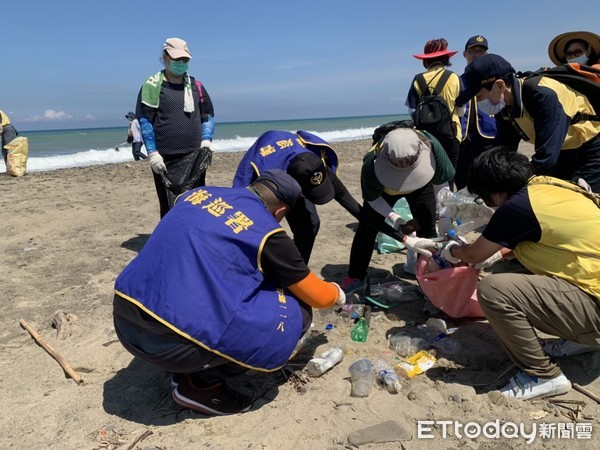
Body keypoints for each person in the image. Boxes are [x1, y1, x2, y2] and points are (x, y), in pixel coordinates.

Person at [113, 169, 346, 415]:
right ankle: (201, 385)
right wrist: (337, 293)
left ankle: (190, 366)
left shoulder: (197, 195)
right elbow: (319, 297)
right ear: (280, 212)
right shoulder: (268, 232)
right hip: (169, 345)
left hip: (125, 315)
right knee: (298, 311)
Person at [440, 147, 600, 400]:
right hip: (592, 277)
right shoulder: (552, 186)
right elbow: (550, 241)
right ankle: (581, 340)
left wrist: (451, 251)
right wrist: (499, 253)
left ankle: (544, 375)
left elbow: (473, 255)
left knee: (494, 290)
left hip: (596, 305)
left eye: (485, 198)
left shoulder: (517, 207)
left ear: (493, 191)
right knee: (508, 267)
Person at [233, 130, 415, 264]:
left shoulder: (317, 162)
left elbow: (358, 211)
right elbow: (240, 212)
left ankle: (296, 270)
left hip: (297, 170)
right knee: (261, 231)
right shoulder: (259, 173)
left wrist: (404, 238)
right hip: (268, 179)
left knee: (311, 224)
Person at [456, 53, 600, 193]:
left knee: (577, 200)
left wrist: (509, 187)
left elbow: (545, 159)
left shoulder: (541, 94)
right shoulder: (505, 107)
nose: (478, 101)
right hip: (564, 150)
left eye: (479, 96)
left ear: (499, 86)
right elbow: (505, 150)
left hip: (591, 149)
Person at [341, 127, 455, 293]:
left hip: (422, 186)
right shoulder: (371, 163)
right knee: (367, 228)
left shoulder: (432, 146)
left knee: (427, 229)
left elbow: (442, 189)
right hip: (385, 191)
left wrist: (445, 218)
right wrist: (394, 218)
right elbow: (373, 198)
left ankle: (428, 279)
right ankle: (356, 276)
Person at [136, 37, 215, 218]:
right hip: (165, 159)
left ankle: (194, 243)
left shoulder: (196, 86)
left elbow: (208, 116)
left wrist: (206, 141)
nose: (181, 63)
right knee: (170, 209)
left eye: (184, 60)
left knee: (197, 205)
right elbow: (145, 120)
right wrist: (152, 153)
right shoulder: (152, 86)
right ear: (165, 57)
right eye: (177, 59)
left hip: (195, 156)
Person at [406, 38, 463, 170]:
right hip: (451, 133)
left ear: (425, 60)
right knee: (449, 174)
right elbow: (461, 110)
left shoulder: (417, 79)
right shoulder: (454, 77)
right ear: (446, 58)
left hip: (425, 136)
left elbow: (412, 111)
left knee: (429, 173)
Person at [455, 35, 497, 190]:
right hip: (464, 139)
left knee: (491, 181)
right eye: (472, 51)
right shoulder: (457, 81)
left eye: (480, 51)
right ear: (465, 54)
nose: (476, 55)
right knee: (463, 182)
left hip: (490, 136)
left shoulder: (496, 79)